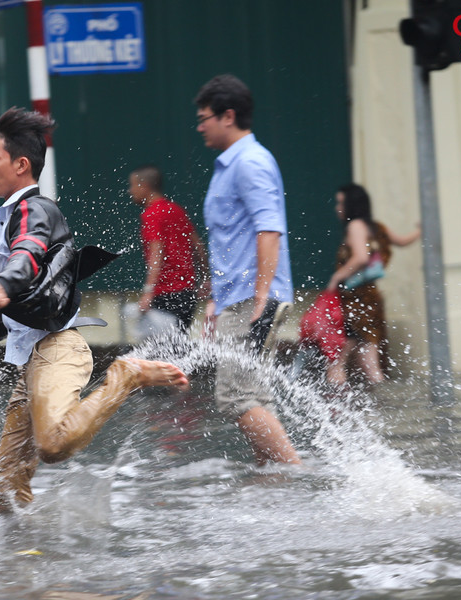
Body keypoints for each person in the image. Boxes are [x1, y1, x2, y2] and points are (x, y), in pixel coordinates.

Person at [0, 108, 189, 513]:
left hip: (57, 351)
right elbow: (28, 292)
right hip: (33, 359)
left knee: (54, 445)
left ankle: (125, 375)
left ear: (21, 164)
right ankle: (25, 570)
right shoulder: (13, 214)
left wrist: (4, 281)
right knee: (6, 489)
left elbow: (27, 254)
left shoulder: (34, 211)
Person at [195, 74, 300, 465]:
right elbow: (228, 241)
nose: (200, 126)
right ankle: (273, 478)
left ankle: (294, 472)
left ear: (228, 116)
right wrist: (213, 302)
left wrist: (261, 297)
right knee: (252, 395)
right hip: (235, 299)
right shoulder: (228, 166)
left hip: (252, 300)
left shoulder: (250, 162)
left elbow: (268, 230)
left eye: (204, 118)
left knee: (236, 397)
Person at [325, 183, 421, 387]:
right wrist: (421, 230)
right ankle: (380, 403)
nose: (337, 208)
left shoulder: (355, 226)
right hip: (371, 301)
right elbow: (403, 241)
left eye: (341, 203)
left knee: (336, 361)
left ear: (352, 204)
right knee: (370, 365)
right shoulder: (378, 228)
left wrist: (336, 277)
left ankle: (334, 402)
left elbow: (360, 257)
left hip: (354, 301)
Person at [127, 164, 209, 331]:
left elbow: (157, 252)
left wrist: (148, 291)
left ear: (145, 186)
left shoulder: (151, 215)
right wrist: (206, 278)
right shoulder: (176, 210)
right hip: (187, 292)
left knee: (162, 347)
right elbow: (198, 246)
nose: (131, 191)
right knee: (178, 342)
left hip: (165, 292)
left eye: (133, 185)